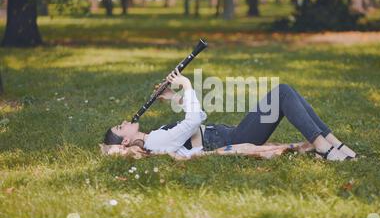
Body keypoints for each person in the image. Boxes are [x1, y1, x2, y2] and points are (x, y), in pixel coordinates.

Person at [102, 69, 358, 161]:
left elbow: (190, 122)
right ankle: (324, 148)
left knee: (287, 92)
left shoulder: (154, 137)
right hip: (231, 138)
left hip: (226, 134)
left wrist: (174, 98)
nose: (124, 122)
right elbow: (194, 120)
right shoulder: (154, 142)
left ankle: (335, 144)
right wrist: (188, 85)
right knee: (282, 93)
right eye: (120, 127)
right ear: (125, 141)